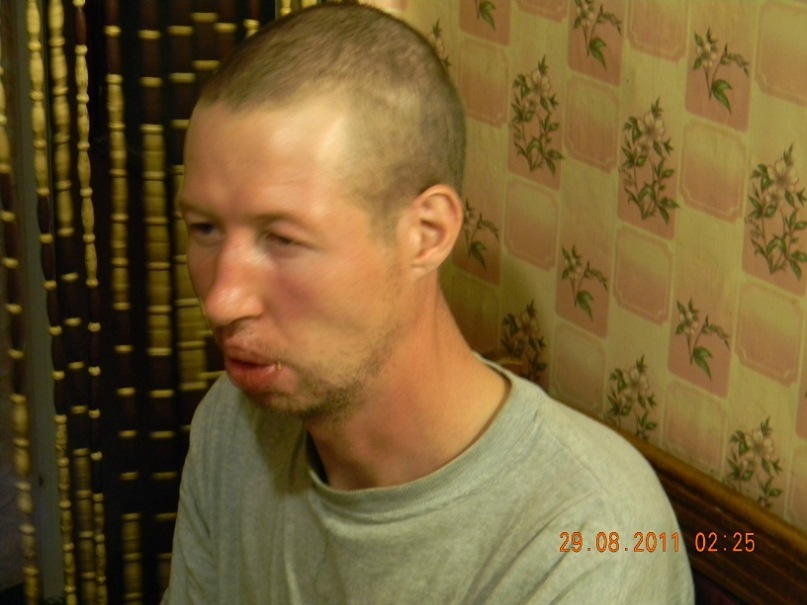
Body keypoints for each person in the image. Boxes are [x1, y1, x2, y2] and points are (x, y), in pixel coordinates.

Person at [162, 4, 694, 603]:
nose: (221, 301)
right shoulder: (235, 426)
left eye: (282, 239)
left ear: (427, 235)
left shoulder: (590, 540)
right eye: (205, 229)